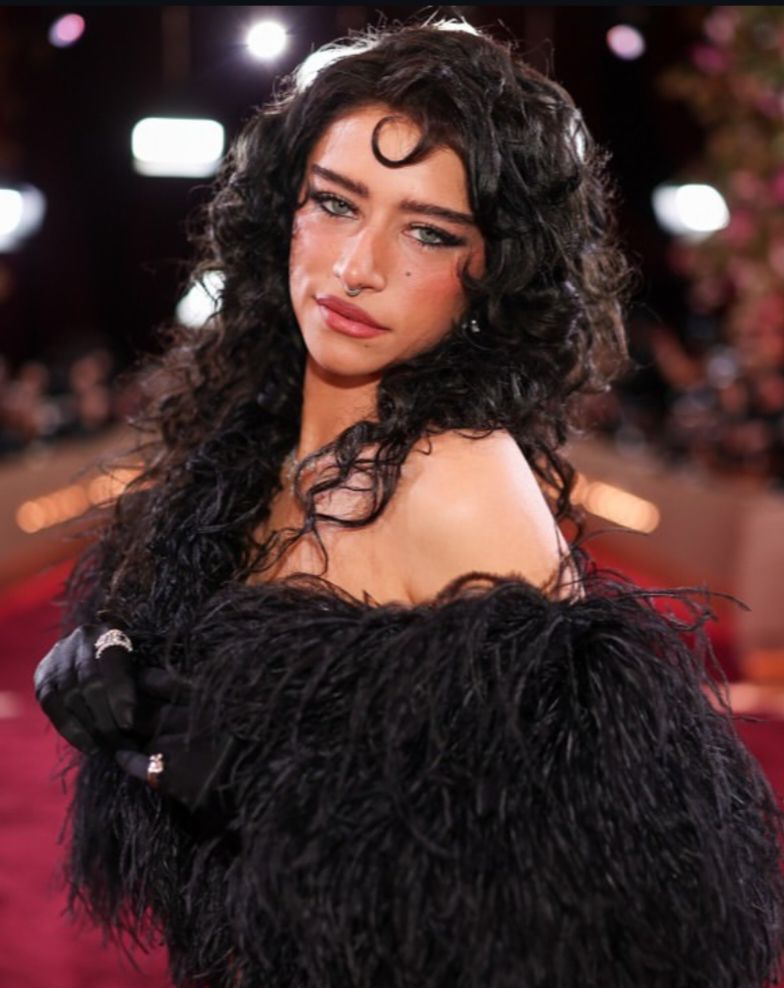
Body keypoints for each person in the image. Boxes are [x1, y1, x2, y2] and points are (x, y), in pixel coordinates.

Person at [34, 20, 784, 988]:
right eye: (334, 203)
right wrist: (109, 648)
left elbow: (574, 907)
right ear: (281, 207)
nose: (358, 266)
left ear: (493, 271)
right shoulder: (244, 438)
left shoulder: (456, 478)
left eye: (428, 231)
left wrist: (274, 793)